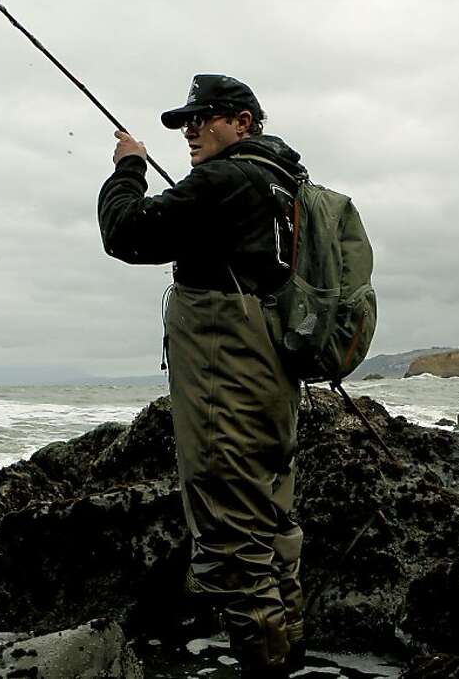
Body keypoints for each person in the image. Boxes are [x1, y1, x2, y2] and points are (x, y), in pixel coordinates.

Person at [98, 75, 305, 676]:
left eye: (203, 118)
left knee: (227, 536)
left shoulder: (225, 178)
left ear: (242, 122)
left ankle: (268, 667)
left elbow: (128, 234)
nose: (190, 131)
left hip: (225, 377)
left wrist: (130, 169)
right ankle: (287, 651)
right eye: (185, 122)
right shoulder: (283, 180)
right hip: (273, 377)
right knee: (273, 521)